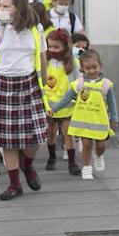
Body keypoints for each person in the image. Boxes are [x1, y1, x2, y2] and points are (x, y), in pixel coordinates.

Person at [0, 0, 49, 201]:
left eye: (5, 6)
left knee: (37, 135)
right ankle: (15, 184)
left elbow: (42, 57)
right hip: (3, 86)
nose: (0, 9)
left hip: (30, 86)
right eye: (0, 5)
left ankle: (27, 164)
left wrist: (44, 82)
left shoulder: (35, 30)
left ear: (19, 8)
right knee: (7, 140)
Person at [50, 48, 119, 180]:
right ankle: (86, 167)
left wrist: (115, 118)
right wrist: (55, 109)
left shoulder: (105, 85)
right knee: (86, 144)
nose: (92, 71)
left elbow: (112, 102)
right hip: (84, 121)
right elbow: (66, 98)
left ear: (100, 65)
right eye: (88, 68)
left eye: (95, 67)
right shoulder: (79, 84)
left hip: (100, 121)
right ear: (82, 69)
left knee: (101, 145)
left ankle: (98, 155)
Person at [42, 29, 80, 175]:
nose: (52, 50)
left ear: (65, 46)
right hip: (49, 104)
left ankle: (72, 162)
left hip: (67, 104)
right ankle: (52, 157)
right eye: (50, 47)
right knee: (51, 132)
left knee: (67, 132)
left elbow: (78, 82)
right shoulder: (46, 62)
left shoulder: (73, 63)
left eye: (56, 47)